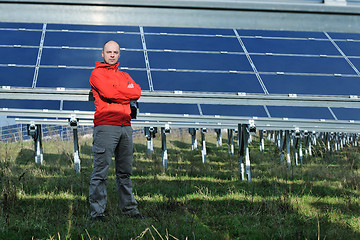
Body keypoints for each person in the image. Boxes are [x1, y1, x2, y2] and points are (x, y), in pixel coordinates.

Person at [89, 40, 142, 221]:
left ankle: (130, 210)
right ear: (102, 54)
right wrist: (124, 93)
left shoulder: (125, 76)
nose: (112, 55)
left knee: (125, 172)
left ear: (119, 54)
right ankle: (98, 213)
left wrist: (119, 91)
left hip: (125, 126)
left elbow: (137, 92)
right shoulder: (96, 74)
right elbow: (108, 93)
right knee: (100, 172)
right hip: (106, 127)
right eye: (109, 52)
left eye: (115, 52)